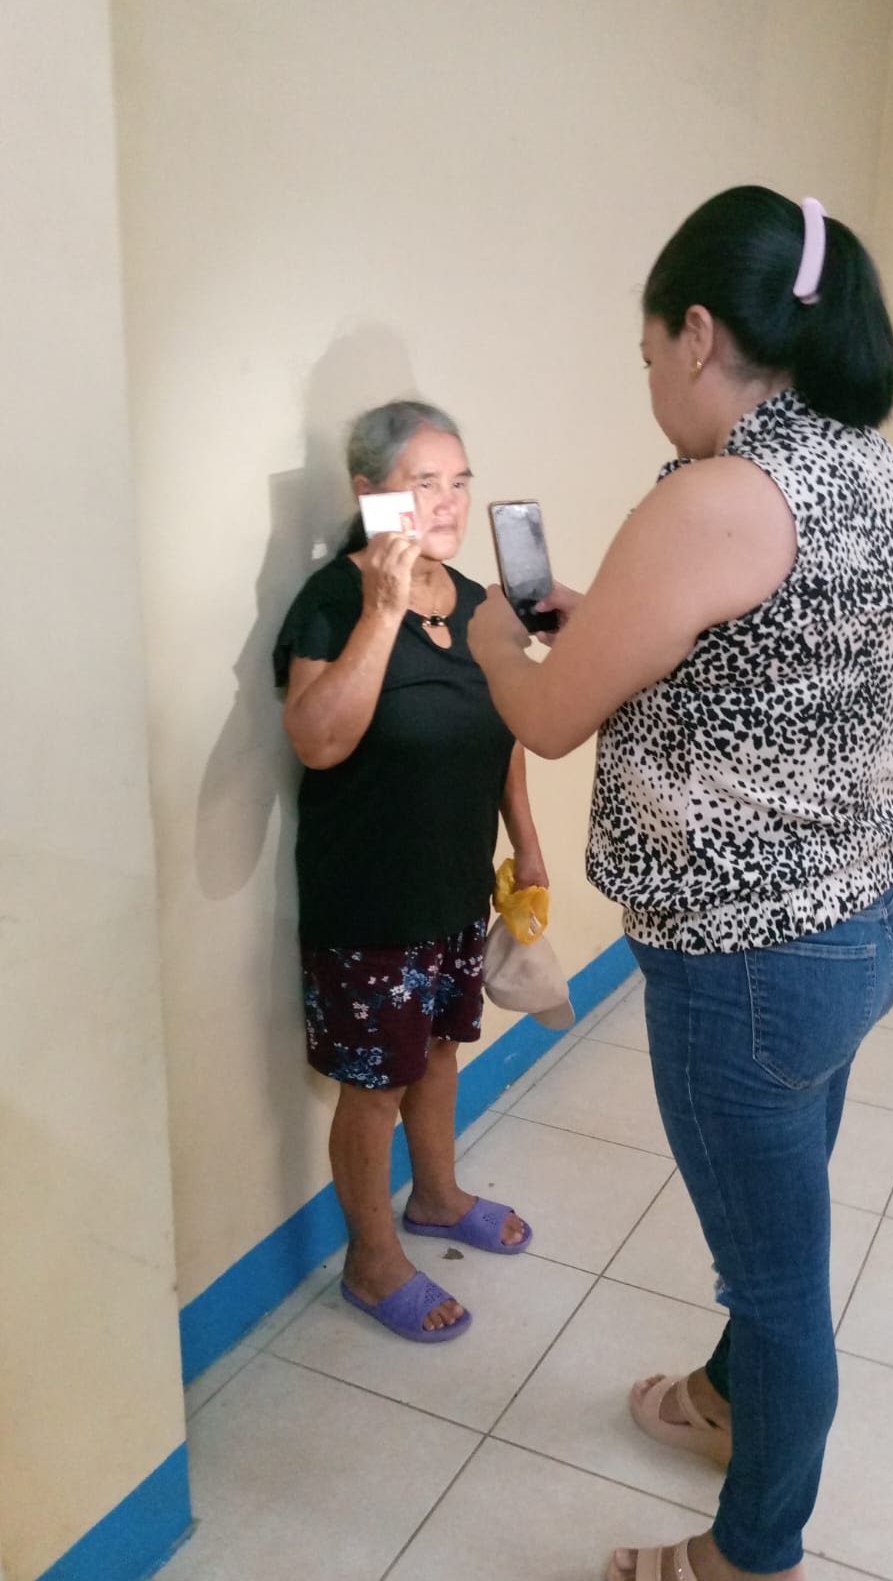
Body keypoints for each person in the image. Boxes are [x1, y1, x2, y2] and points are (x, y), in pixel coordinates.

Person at [468, 187, 893, 1579]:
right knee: (779, 1217)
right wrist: (602, 620)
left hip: (747, 968)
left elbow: (549, 716)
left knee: (777, 1281)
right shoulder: (872, 470)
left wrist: (496, 641)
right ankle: (728, 1403)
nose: (651, 385)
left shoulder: (719, 495)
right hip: (858, 925)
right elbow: (767, 651)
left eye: (646, 356)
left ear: (695, 332)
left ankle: (752, 1551)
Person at [274, 399, 547, 1343]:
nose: (448, 502)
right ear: (370, 494)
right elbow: (317, 741)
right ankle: (371, 1258)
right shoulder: (332, 601)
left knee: (437, 1053)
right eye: (423, 483)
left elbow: (503, 733)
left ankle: (437, 1196)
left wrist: (526, 841)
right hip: (370, 901)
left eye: (459, 482)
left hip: (455, 887)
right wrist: (384, 611)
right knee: (375, 1086)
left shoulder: (475, 604)